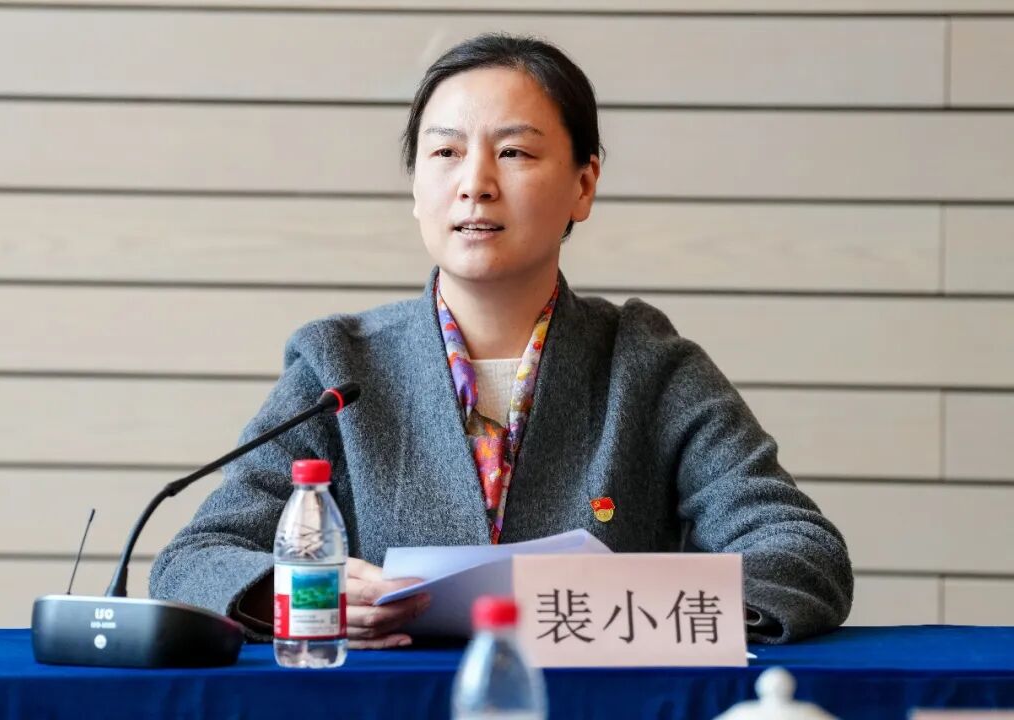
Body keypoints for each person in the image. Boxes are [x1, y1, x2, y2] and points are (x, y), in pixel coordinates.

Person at [150, 33, 853, 648]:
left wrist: (625, 609)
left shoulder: (648, 363)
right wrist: (304, 597)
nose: (476, 184)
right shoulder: (337, 365)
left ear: (583, 185)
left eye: (513, 151)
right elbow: (197, 558)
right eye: (446, 152)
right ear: (416, 189)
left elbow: (801, 550)